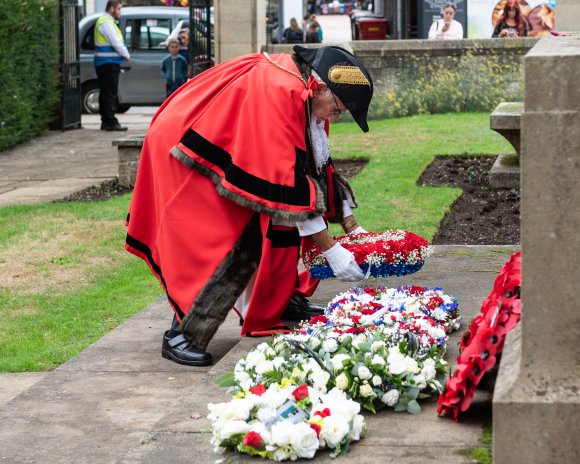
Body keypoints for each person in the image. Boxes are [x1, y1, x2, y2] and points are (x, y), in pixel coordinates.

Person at [125, 45, 373, 366]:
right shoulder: (283, 91)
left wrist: (351, 226)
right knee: (226, 238)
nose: (336, 118)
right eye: (338, 109)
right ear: (321, 86)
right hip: (187, 151)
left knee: (275, 224)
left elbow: (314, 171)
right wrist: (331, 250)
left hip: (216, 144)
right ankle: (183, 333)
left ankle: (282, 301)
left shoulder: (308, 98)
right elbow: (287, 187)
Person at [94, 0, 130, 131]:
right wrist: (126, 54)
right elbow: (116, 42)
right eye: (119, 9)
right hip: (108, 63)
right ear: (112, 8)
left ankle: (106, 120)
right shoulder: (106, 23)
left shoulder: (104, 21)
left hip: (105, 63)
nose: (120, 12)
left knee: (106, 92)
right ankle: (110, 121)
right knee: (110, 93)